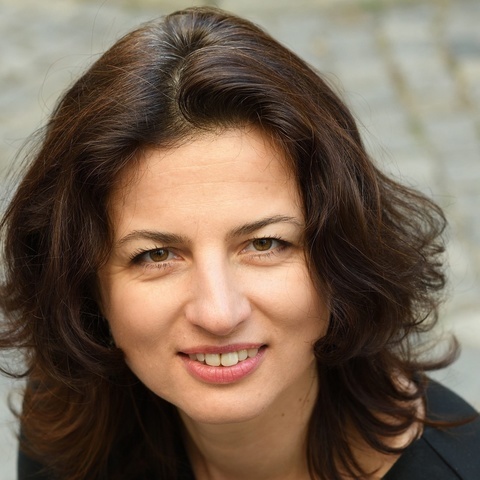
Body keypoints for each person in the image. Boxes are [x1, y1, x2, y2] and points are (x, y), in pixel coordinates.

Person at [0, 6, 479, 480]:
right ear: (85, 286)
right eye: (157, 255)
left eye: (265, 244)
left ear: (341, 256)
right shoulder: (67, 425)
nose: (219, 314)